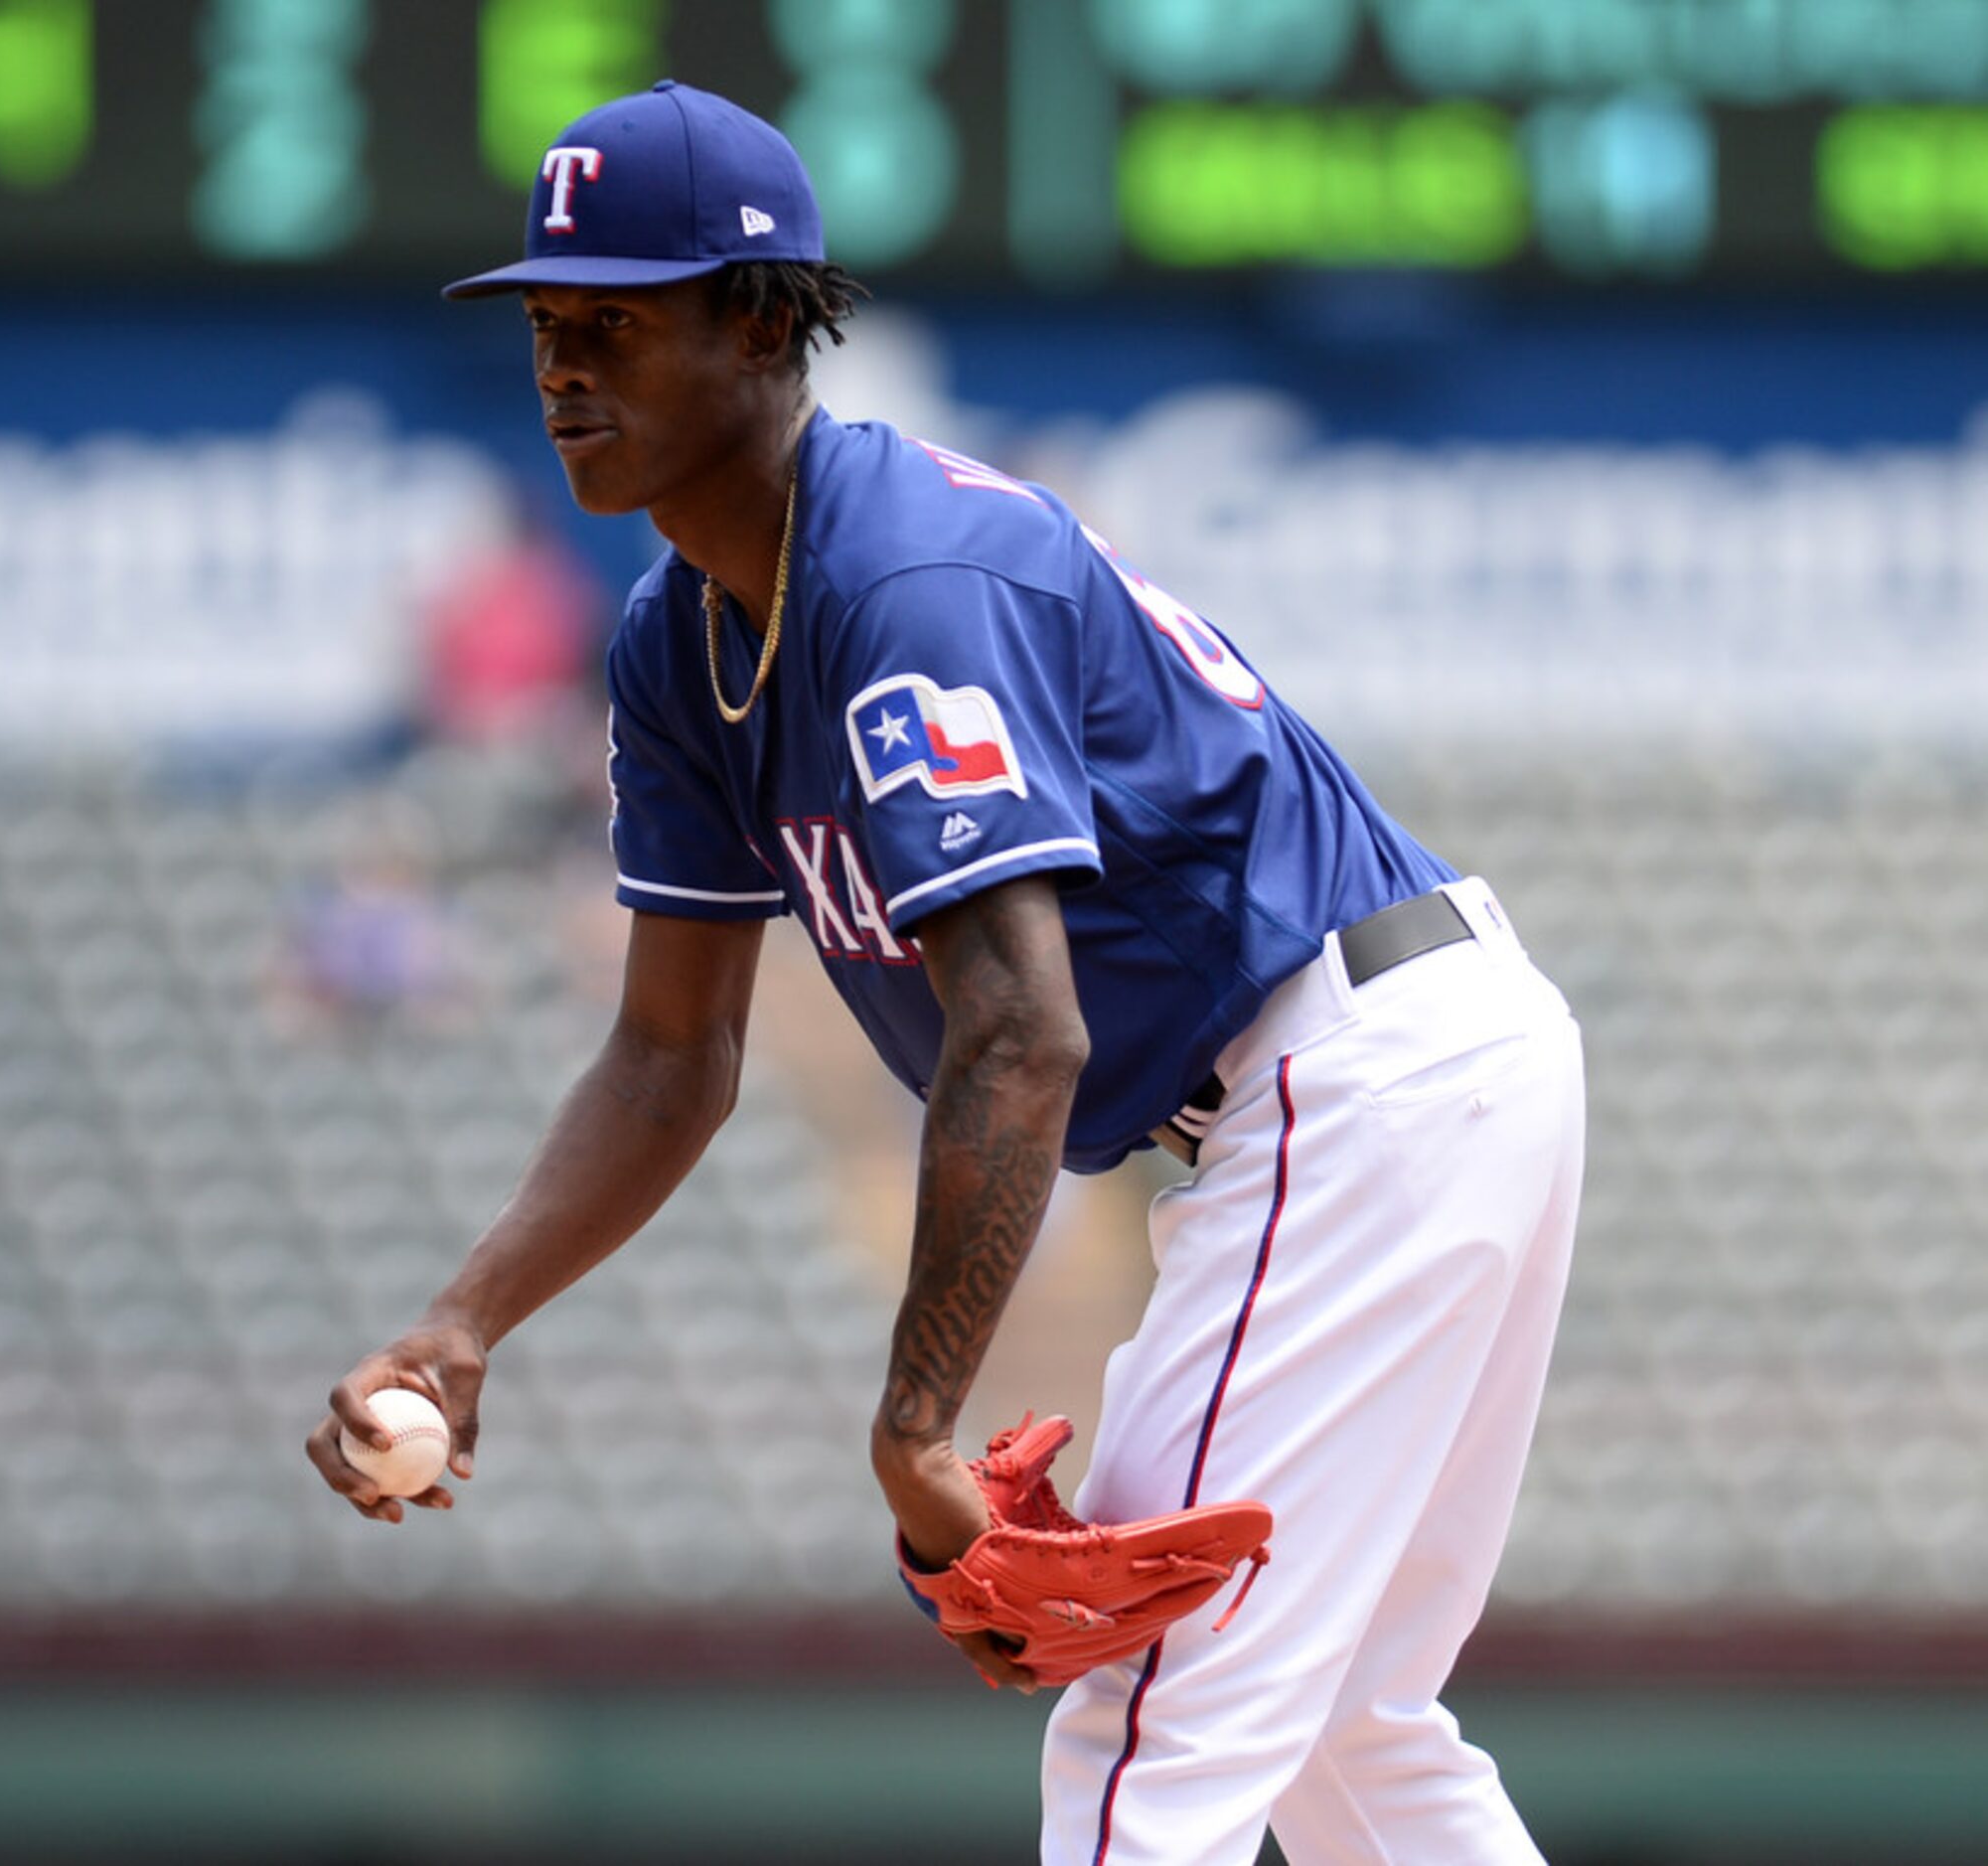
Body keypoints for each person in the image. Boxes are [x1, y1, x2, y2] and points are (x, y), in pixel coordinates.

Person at [307, 81, 1585, 1866]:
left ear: (762, 321)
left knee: (1151, 1714)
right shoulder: (679, 642)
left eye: (617, 316)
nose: (563, 364)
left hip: (1351, 1074)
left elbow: (1020, 1028)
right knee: (1342, 1724)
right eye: (544, 319)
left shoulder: (904, 576)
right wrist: (462, 1320)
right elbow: (669, 1054)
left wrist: (917, 1422)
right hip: (1399, 1067)